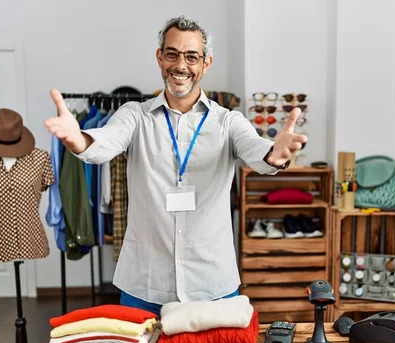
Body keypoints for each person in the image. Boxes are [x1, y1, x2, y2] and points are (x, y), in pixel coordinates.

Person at [44, 15, 307, 316]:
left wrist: (276, 154)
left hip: (212, 285)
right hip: (145, 284)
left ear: (205, 63)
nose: (181, 65)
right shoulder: (134, 116)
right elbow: (104, 142)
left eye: (191, 56)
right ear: (160, 57)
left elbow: (257, 150)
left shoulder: (227, 121)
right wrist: (78, 138)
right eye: (172, 54)